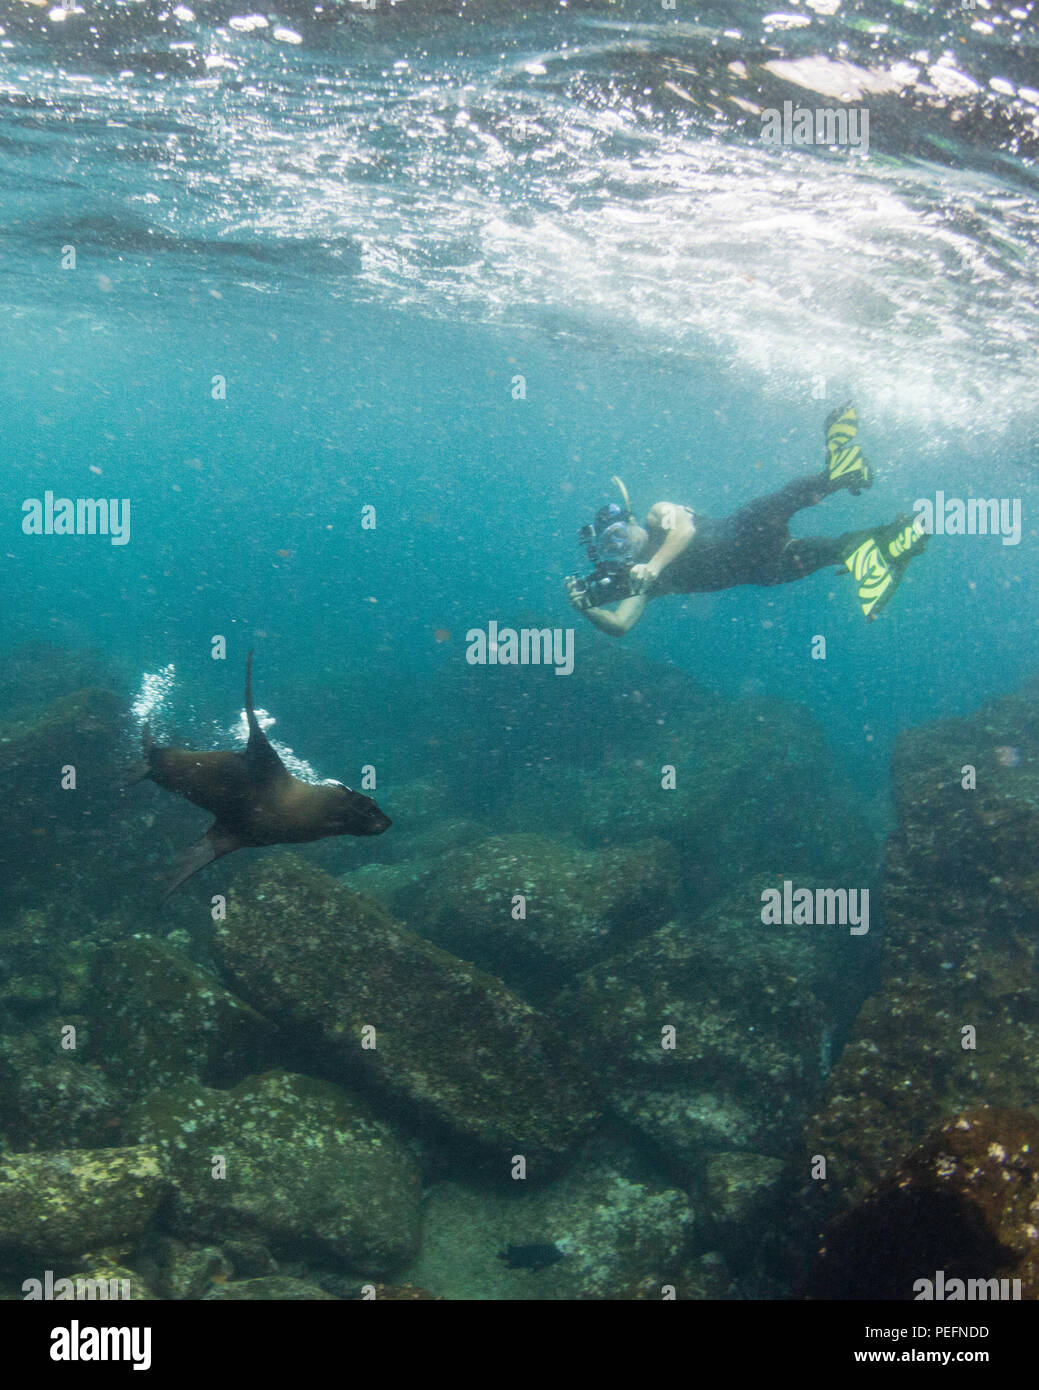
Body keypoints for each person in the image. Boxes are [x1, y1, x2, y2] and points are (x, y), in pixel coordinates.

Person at [565, 404, 928, 634]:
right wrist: (588, 609)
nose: (620, 544)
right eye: (609, 545)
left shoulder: (657, 515)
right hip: (763, 568)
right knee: (835, 551)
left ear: (630, 520)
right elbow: (620, 625)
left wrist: (656, 566)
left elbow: (686, 527)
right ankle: (889, 541)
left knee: (785, 499)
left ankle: (836, 474)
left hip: (744, 529)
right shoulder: (640, 581)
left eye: (618, 533)